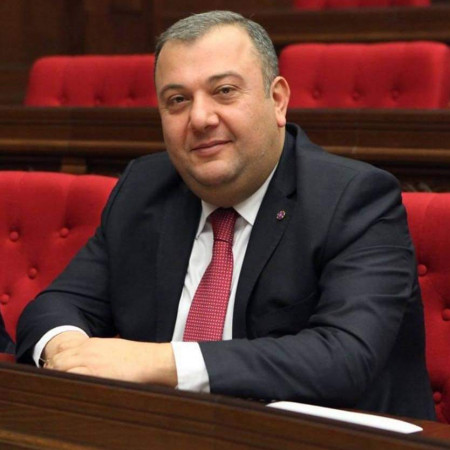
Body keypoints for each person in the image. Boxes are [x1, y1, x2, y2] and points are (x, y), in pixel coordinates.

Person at [16, 10, 435, 420]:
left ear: (277, 100)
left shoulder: (355, 199)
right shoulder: (143, 188)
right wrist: (68, 351)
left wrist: (159, 362)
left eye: (225, 91)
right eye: (177, 100)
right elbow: (56, 306)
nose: (200, 118)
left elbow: (343, 356)